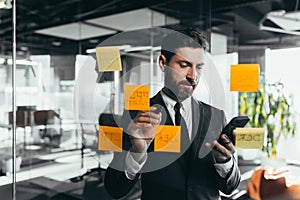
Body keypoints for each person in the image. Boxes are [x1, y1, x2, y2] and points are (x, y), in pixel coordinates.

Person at [104, 28, 241, 200]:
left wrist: (225, 162)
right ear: (163, 63)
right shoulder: (137, 116)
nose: (193, 76)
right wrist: (136, 152)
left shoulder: (216, 116)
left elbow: (230, 187)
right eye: (184, 65)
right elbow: (115, 188)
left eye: (198, 67)